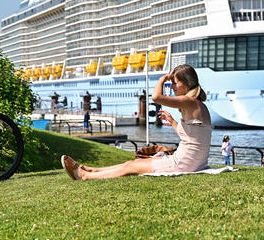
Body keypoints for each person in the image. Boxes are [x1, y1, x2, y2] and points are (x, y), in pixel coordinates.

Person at [61, 64, 211, 180]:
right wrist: (172, 121)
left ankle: (84, 176)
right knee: (130, 164)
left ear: (187, 84)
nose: (171, 87)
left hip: (183, 163)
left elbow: (156, 98)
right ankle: (91, 170)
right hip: (193, 162)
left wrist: (162, 79)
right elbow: (190, 138)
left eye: (174, 83)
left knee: (130, 167)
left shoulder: (188, 101)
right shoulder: (199, 105)